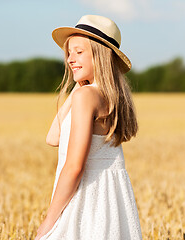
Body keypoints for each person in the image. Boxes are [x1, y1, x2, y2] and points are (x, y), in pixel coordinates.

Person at [35, 15, 143, 240]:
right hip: (109, 202)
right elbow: (53, 137)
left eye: (79, 52)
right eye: (68, 53)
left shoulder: (87, 96)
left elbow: (74, 166)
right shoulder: (105, 96)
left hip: (85, 202)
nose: (70, 59)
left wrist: (49, 221)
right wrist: (77, 86)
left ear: (100, 54)